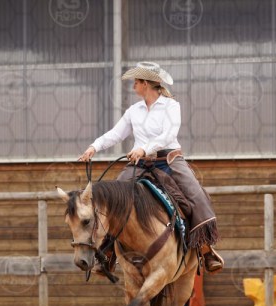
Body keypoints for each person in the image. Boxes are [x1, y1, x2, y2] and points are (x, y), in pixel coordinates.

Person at [78, 61, 224, 273]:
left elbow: (168, 135)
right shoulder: (133, 111)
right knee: (112, 200)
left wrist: (144, 149)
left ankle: (205, 249)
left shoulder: (171, 106)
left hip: (168, 161)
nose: (133, 85)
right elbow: (116, 134)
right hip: (140, 163)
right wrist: (94, 146)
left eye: (136, 82)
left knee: (195, 194)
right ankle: (108, 253)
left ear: (145, 84)